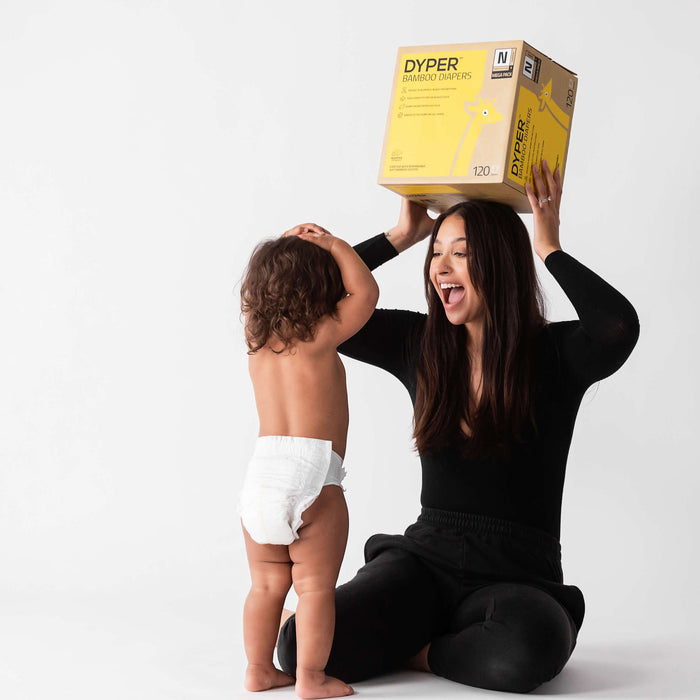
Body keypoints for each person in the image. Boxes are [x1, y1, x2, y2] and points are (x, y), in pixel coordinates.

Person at [277, 162, 640, 693]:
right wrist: (401, 235)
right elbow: (308, 309)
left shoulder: (556, 354)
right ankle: (449, 640)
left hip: (518, 577)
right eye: (437, 253)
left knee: (525, 652)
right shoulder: (418, 342)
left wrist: (548, 244)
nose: (441, 268)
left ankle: (422, 649)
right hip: (423, 562)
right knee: (296, 649)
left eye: (462, 253)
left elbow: (617, 326)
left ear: (499, 263)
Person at [239, 226, 378, 698]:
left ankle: (258, 669)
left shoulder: (256, 345)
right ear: (323, 290)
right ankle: (311, 678)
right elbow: (366, 292)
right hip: (312, 476)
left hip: (260, 478)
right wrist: (337, 246)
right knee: (315, 589)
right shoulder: (321, 334)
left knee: (265, 586)